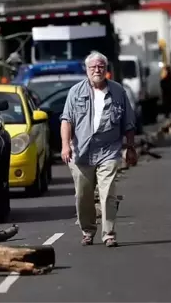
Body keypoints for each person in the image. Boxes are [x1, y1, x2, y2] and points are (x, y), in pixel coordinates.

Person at [60, 51, 138, 248]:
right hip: (81, 151)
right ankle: (88, 231)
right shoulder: (75, 92)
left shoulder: (118, 92)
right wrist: (65, 146)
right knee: (83, 195)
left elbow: (128, 123)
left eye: (101, 67)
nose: (97, 70)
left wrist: (130, 148)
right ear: (86, 70)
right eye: (93, 67)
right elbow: (66, 120)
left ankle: (109, 234)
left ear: (106, 70)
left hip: (109, 150)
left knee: (108, 193)